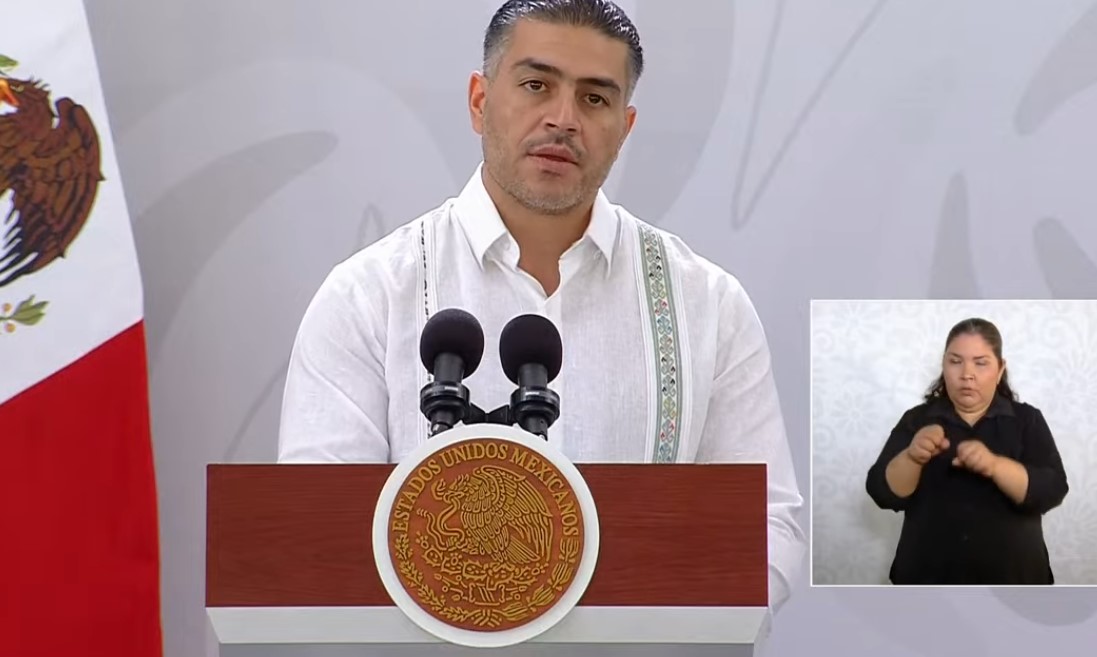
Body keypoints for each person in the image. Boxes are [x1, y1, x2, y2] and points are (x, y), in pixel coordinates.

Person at [277, 0, 805, 609]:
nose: (563, 119)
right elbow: (319, 531)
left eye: (595, 98)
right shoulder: (369, 296)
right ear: (479, 101)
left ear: (625, 127)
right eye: (536, 86)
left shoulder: (707, 305)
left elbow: (767, 527)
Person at [866, 317, 1069, 585]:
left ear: (1000, 369)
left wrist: (995, 466)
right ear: (944, 365)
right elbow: (882, 494)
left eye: (981, 363)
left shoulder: (1027, 420)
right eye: (955, 361)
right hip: (927, 580)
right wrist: (912, 457)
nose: (966, 374)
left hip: (1015, 581)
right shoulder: (916, 420)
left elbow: (1052, 490)